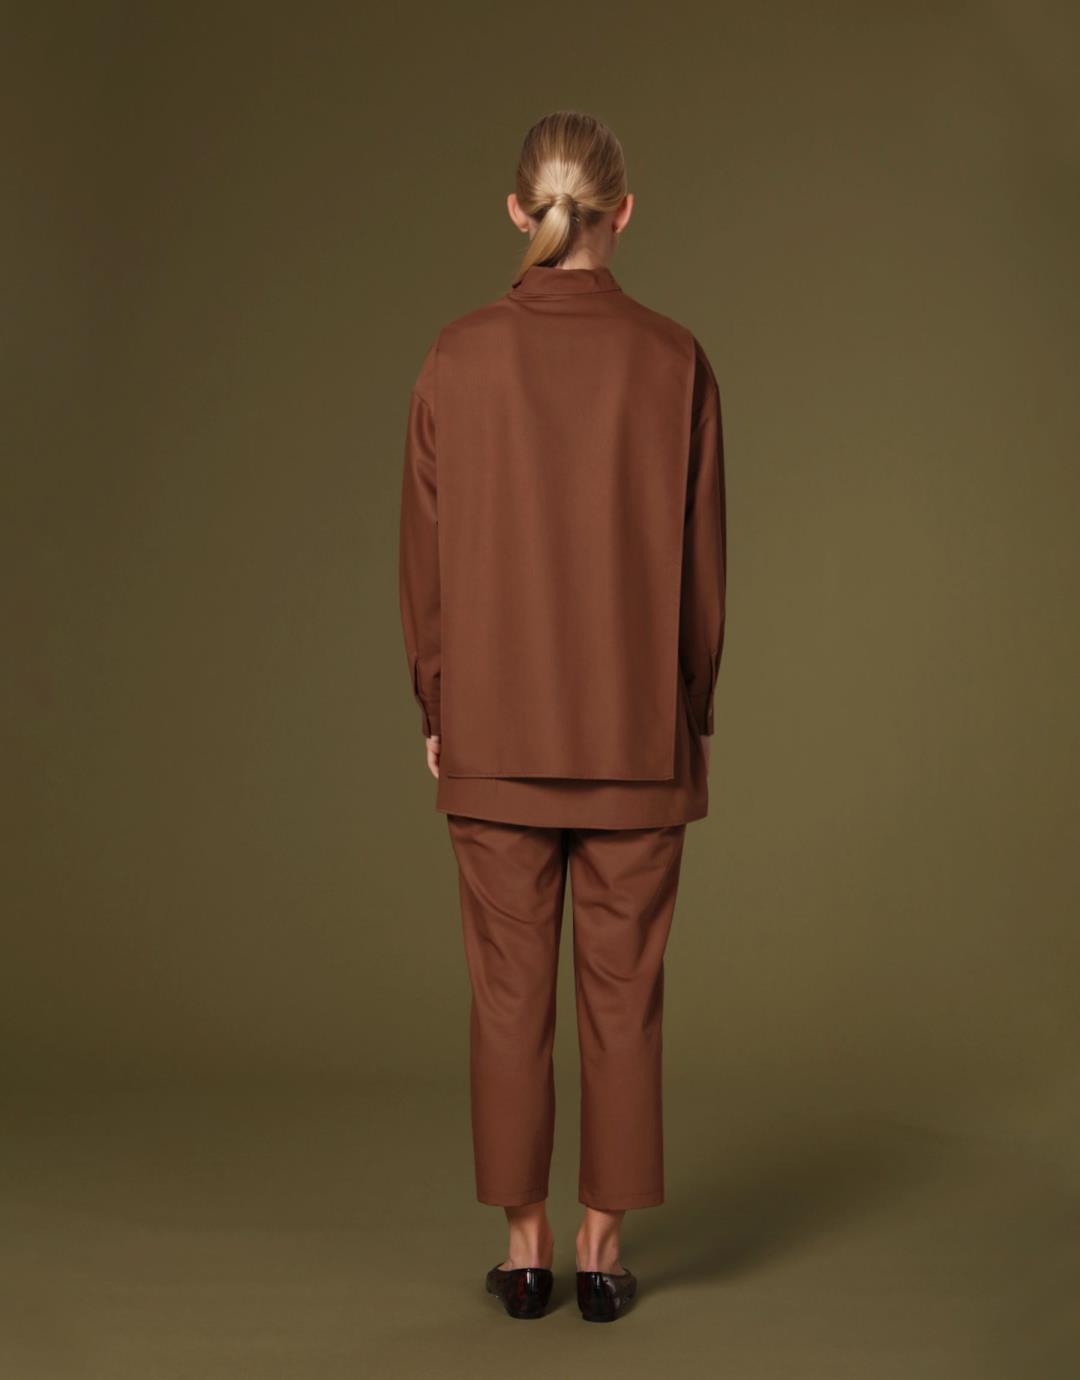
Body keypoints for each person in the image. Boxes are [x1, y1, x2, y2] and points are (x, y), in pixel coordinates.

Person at [398, 110, 726, 1323]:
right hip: (638, 738)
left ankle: (524, 1250)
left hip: (493, 735)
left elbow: (424, 558)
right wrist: (687, 708)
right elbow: (703, 572)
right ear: (623, 212)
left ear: (516, 211)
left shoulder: (457, 356)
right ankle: (604, 1253)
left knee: (506, 993)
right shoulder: (675, 360)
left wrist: (438, 700)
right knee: (623, 994)